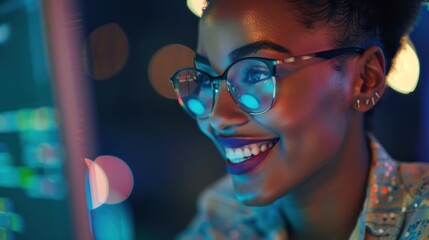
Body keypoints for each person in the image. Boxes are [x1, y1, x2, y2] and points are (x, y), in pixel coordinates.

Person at [169, 0, 429, 239]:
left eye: (256, 75)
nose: (217, 118)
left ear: (365, 79)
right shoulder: (223, 220)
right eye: (206, 79)